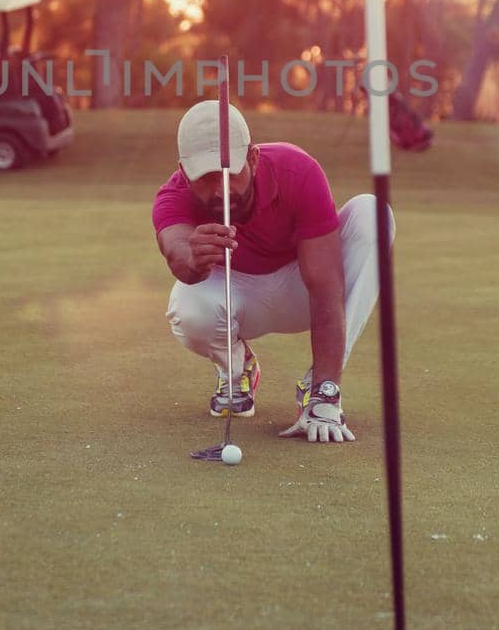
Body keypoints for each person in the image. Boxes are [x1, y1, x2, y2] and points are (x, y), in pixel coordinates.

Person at [152, 98, 395, 445]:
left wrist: (328, 389)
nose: (220, 189)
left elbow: (326, 287)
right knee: (187, 306)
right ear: (183, 170)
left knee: (373, 215)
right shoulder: (172, 196)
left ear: (252, 157)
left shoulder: (297, 170)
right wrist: (191, 256)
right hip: (234, 295)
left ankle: (320, 392)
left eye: (230, 173)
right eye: (204, 178)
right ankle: (237, 369)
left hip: (300, 287)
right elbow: (177, 255)